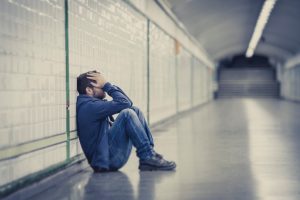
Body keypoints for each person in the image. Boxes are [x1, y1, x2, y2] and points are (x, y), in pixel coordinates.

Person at [76, 70, 176, 172]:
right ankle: (147, 157)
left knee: (134, 110)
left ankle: (149, 154)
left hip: (108, 156)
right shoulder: (89, 106)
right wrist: (107, 85)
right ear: (89, 90)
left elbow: (128, 102)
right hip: (105, 162)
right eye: (101, 86)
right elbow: (125, 103)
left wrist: (106, 85)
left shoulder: (90, 104)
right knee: (127, 114)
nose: (104, 89)